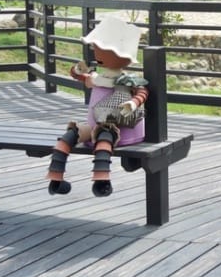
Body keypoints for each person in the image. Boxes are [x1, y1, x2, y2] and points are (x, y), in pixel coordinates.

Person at [46, 16, 148, 197]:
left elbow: (142, 92)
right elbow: (80, 76)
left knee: (105, 137)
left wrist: (133, 102)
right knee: (69, 135)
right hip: (92, 126)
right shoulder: (97, 78)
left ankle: (102, 181)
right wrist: (77, 70)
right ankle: (56, 178)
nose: (96, 53)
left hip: (117, 127)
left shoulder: (126, 80)